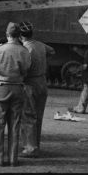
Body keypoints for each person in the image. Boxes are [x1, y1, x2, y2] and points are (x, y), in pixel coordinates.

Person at [0, 22, 31, 167]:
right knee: (15, 123)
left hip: (1, 88)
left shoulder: (0, 49)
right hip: (18, 88)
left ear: (7, 35)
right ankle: (14, 158)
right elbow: (26, 70)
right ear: (19, 35)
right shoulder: (24, 51)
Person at [19, 21, 54, 158]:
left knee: (28, 116)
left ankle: (30, 148)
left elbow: (24, 69)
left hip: (30, 84)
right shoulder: (40, 45)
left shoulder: (25, 49)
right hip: (42, 82)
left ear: (21, 36)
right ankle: (36, 144)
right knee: (38, 116)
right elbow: (52, 51)